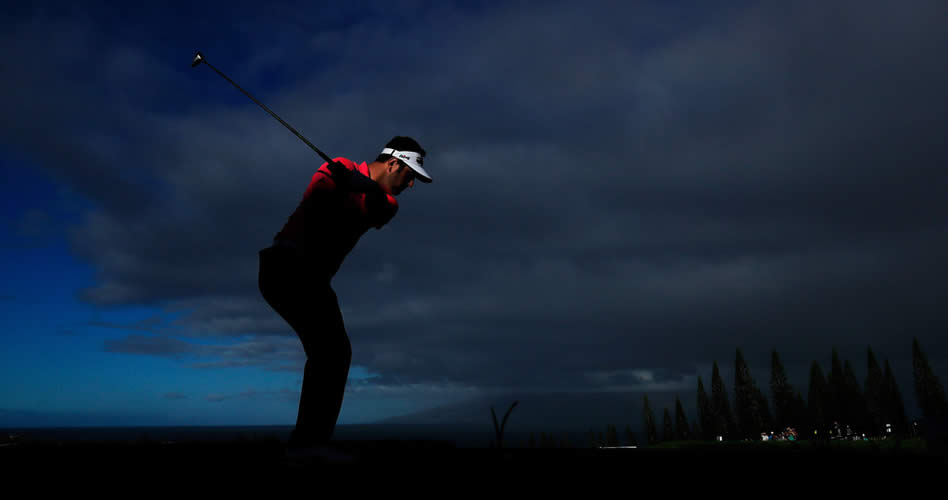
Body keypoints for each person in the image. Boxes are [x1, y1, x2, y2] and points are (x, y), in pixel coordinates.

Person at [258, 136, 432, 455]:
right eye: (410, 176)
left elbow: (377, 209)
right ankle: (310, 445)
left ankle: (308, 443)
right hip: (284, 267)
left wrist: (359, 186)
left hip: (311, 279)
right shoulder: (337, 169)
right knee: (333, 353)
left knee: (333, 353)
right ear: (394, 164)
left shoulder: (387, 204)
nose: (410, 185)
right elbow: (316, 203)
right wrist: (344, 181)